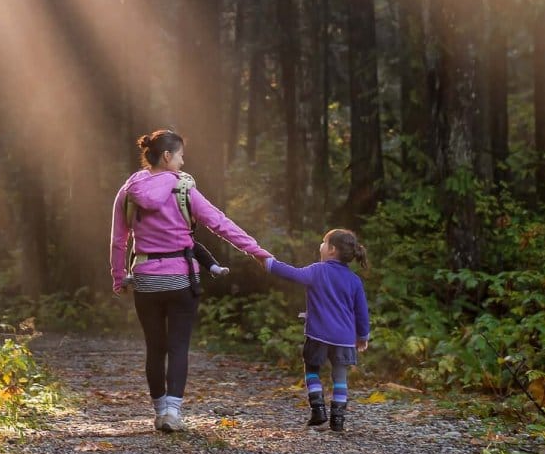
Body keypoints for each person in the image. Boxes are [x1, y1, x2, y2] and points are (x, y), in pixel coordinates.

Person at [110, 129, 272, 432]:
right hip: (181, 279)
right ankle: (173, 412)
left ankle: (159, 412)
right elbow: (220, 223)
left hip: (145, 279)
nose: (183, 162)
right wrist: (257, 252)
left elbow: (119, 240)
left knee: (155, 347)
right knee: (179, 346)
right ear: (168, 156)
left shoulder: (128, 190)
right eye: (181, 155)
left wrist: (119, 277)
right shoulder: (183, 189)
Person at [264, 229, 370, 433]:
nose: (320, 246)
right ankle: (338, 420)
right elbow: (362, 312)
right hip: (345, 339)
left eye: (323, 242)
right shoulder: (354, 280)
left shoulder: (317, 270)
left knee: (312, 369)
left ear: (331, 250)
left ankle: (318, 410)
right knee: (340, 377)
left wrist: (269, 263)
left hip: (318, 334)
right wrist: (362, 336)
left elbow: (292, 273)